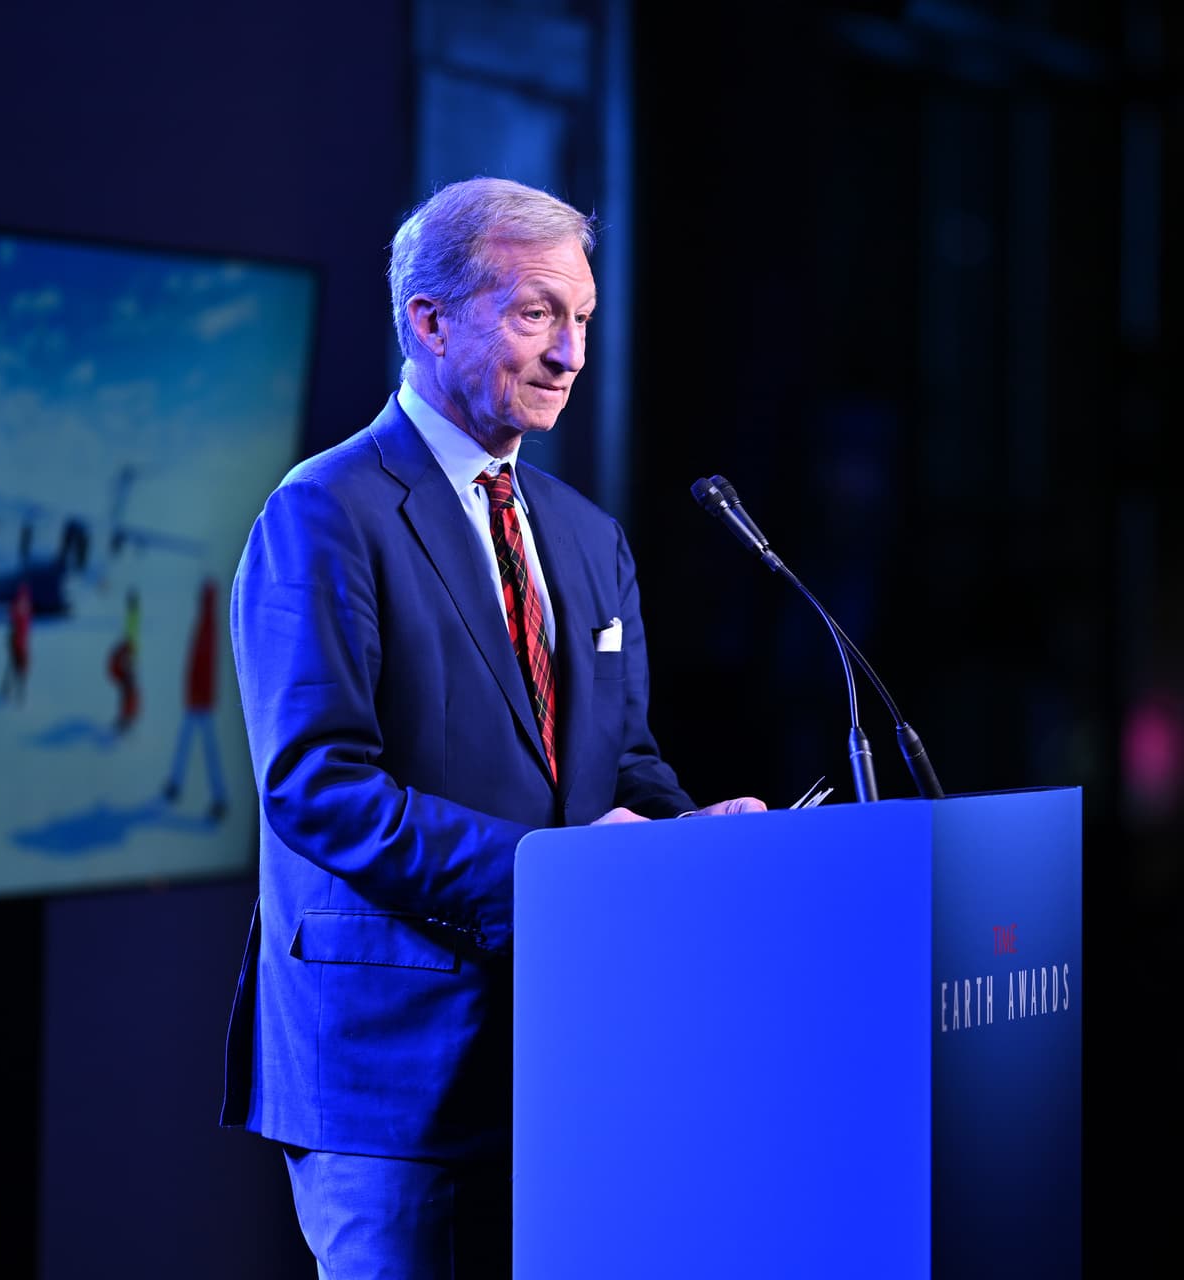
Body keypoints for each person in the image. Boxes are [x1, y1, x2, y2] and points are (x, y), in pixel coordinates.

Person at [219, 175, 767, 1279]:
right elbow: (318, 785)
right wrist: (562, 872)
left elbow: (623, 756)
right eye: (536, 314)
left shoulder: (582, 530)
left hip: (572, 1056)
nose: (569, 352)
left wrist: (689, 837)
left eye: (582, 319)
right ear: (427, 320)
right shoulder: (326, 510)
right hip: (398, 1076)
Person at [162, 576, 227, 821]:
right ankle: (176, 784)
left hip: (200, 699)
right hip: (197, 698)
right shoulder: (205, 621)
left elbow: (204, 665)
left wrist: (199, 694)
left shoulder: (208, 624)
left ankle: (218, 797)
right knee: (187, 744)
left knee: (207, 751)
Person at [107, 588, 140, 734]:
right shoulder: (131, 618)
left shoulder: (132, 619)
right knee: (126, 691)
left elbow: (131, 635)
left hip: (129, 657)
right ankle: (126, 717)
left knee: (128, 691)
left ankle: (127, 719)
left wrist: (127, 655)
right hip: (129, 656)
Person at [0, 577, 32, 703]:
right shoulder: (22, 607)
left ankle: (14, 691)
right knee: (16, 668)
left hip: (19, 642)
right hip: (18, 642)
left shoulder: (22, 607)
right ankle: (14, 691)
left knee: (16, 668)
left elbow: (22, 622)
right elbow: (17, 621)